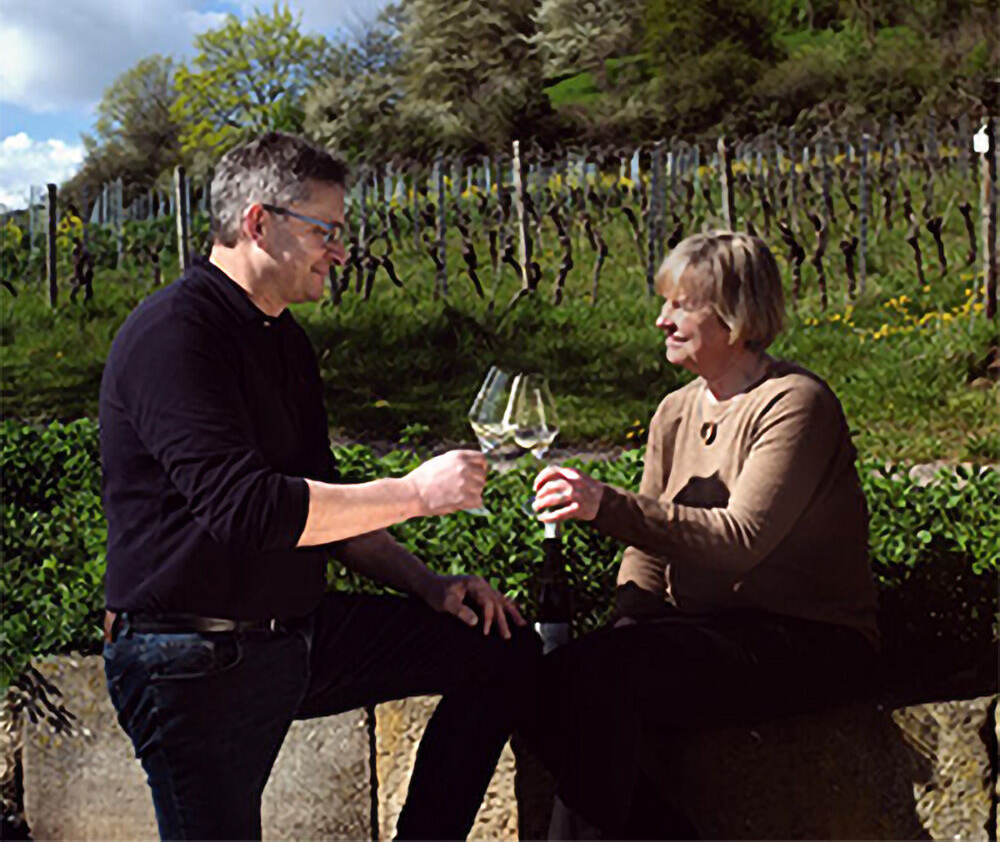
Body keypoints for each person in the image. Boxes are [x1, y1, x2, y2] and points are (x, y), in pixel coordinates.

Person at [99, 132, 539, 841]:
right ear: (257, 222)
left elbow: (324, 503)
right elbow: (249, 510)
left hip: (294, 638)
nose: (341, 250)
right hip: (190, 658)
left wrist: (428, 585)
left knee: (500, 648)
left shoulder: (284, 339)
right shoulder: (174, 335)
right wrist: (417, 491)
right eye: (325, 230)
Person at [524, 230, 879, 840]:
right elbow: (647, 553)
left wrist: (604, 504)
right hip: (708, 634)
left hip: (810, 639)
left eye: (682, 305)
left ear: (736, 314)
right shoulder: (674, 410)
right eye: (665, 303)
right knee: (537, 684)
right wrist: (631, 620)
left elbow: (740, 538)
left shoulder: (795, 404)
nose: (662, 320)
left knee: (600, 678)